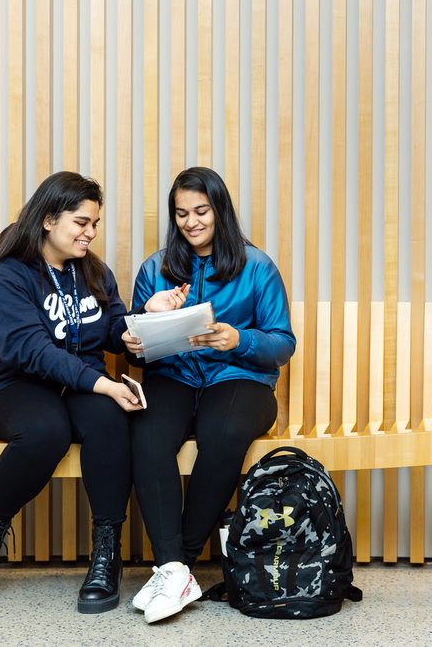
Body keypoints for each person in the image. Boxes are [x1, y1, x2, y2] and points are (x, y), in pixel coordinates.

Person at [0, 171, 142, 614]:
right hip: (17, 387)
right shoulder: (6, 277)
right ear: (47, 219)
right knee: (46, 432)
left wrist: (138, 330)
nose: (90, 233)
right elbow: (30, 350)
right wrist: (102, 383)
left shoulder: (94, 271)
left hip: (81, 383)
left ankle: (106, 552)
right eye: (81, 223)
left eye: (95, 224)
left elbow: (113, 328)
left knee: (109, 420)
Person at [123, 166, 296, 624]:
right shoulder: (154, 269)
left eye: (201, 211)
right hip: (174, 377)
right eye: (181, 213)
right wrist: (137, 338)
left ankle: (174, 562)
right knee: (146, 431)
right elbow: (139, 348)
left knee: (225, 431)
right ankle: (177, 568)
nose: (191, 222)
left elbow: (283, 342)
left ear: (220, 210)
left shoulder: (257, 266)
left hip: (239, 380)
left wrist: (238, 339)